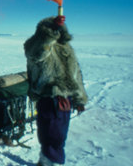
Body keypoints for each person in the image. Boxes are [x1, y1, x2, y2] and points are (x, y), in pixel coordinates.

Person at [24, 16, 88, 166]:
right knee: (52, 136)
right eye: (54, 29)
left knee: (58, 137)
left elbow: (75, 75)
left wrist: (79, 99)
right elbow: (38, 53)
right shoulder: (35, 44)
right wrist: (49, 34)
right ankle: (50, 163)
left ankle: (46, 161)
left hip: (66, 99)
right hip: (49, 97)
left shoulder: (66, 48)